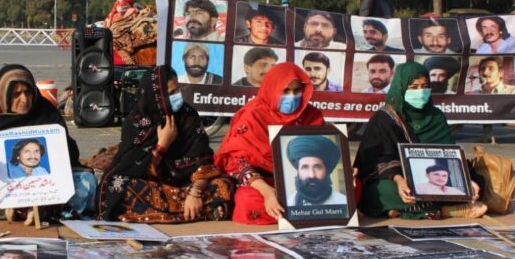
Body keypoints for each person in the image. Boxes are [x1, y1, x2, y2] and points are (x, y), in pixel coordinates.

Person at [0, 64, 96, 222]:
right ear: (3, 96)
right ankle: (34, 211)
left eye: (28, 92)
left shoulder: (47, 113)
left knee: (87, 180)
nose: (24, 99)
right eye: (16, 94)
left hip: (45, 185)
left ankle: (17, 210)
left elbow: (71, 155)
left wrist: (58, 148)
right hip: (7, 185)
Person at [97, 66, 233, 223]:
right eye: (171, 93)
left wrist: (195, 192)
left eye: (178, 90)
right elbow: (134, 169)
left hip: (186, 184)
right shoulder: (135, 122)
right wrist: (162, 145)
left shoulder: (188, 116)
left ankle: (177, 211)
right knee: (118, 185)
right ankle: (199, 211)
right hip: (152, 185)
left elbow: (203, 161)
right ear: (156, 96)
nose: (177, 96)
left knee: (223, 185)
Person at [354, 61, 486, 219]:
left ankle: (401, 211)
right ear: (401, 87)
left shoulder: (435, 116)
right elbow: (376, 160)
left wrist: (466, 181)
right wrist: (398, 179)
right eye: (414, 87)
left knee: (474, 184)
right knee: (381, 191)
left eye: (425, 86)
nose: (421, 92)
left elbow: (449, 154)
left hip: (437, 179)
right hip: (399, 180)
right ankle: (445, 210)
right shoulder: (384, 119)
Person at [215, 63, 325, 224]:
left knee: (353, 187)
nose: (292, 96)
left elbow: (323, 149)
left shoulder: (311, 115)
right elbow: (237, 161)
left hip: (305, 179)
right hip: (263, 182)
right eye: (286, 91)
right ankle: (315, 211)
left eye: (297, 91)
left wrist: (340, 169)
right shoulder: (253, 115)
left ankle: (303, 210)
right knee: (248, 201)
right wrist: (267, 192)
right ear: (272, 88)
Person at [285, 135, 347, 206]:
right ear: (298, 171)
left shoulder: (345, 203)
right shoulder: (287, 206)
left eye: (318, 167)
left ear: (327, 170)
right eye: (305, 167)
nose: (312, 175)